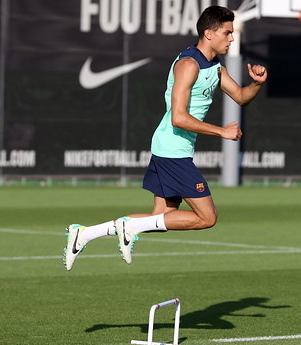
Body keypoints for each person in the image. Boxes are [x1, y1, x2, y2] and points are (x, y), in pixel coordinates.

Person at [63, 6, 267, 270]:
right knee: (207, 217)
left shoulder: (215, 66)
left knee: (159, 218)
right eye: (227, 33)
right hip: (172, 150)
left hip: (172, 148)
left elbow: (240, 97)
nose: (232, 38)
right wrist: (221, 131)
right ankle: (130, 227)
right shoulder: (188, 65)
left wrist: (257, 84)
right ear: (208, 33)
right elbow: (178, 118)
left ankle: (84, 234)